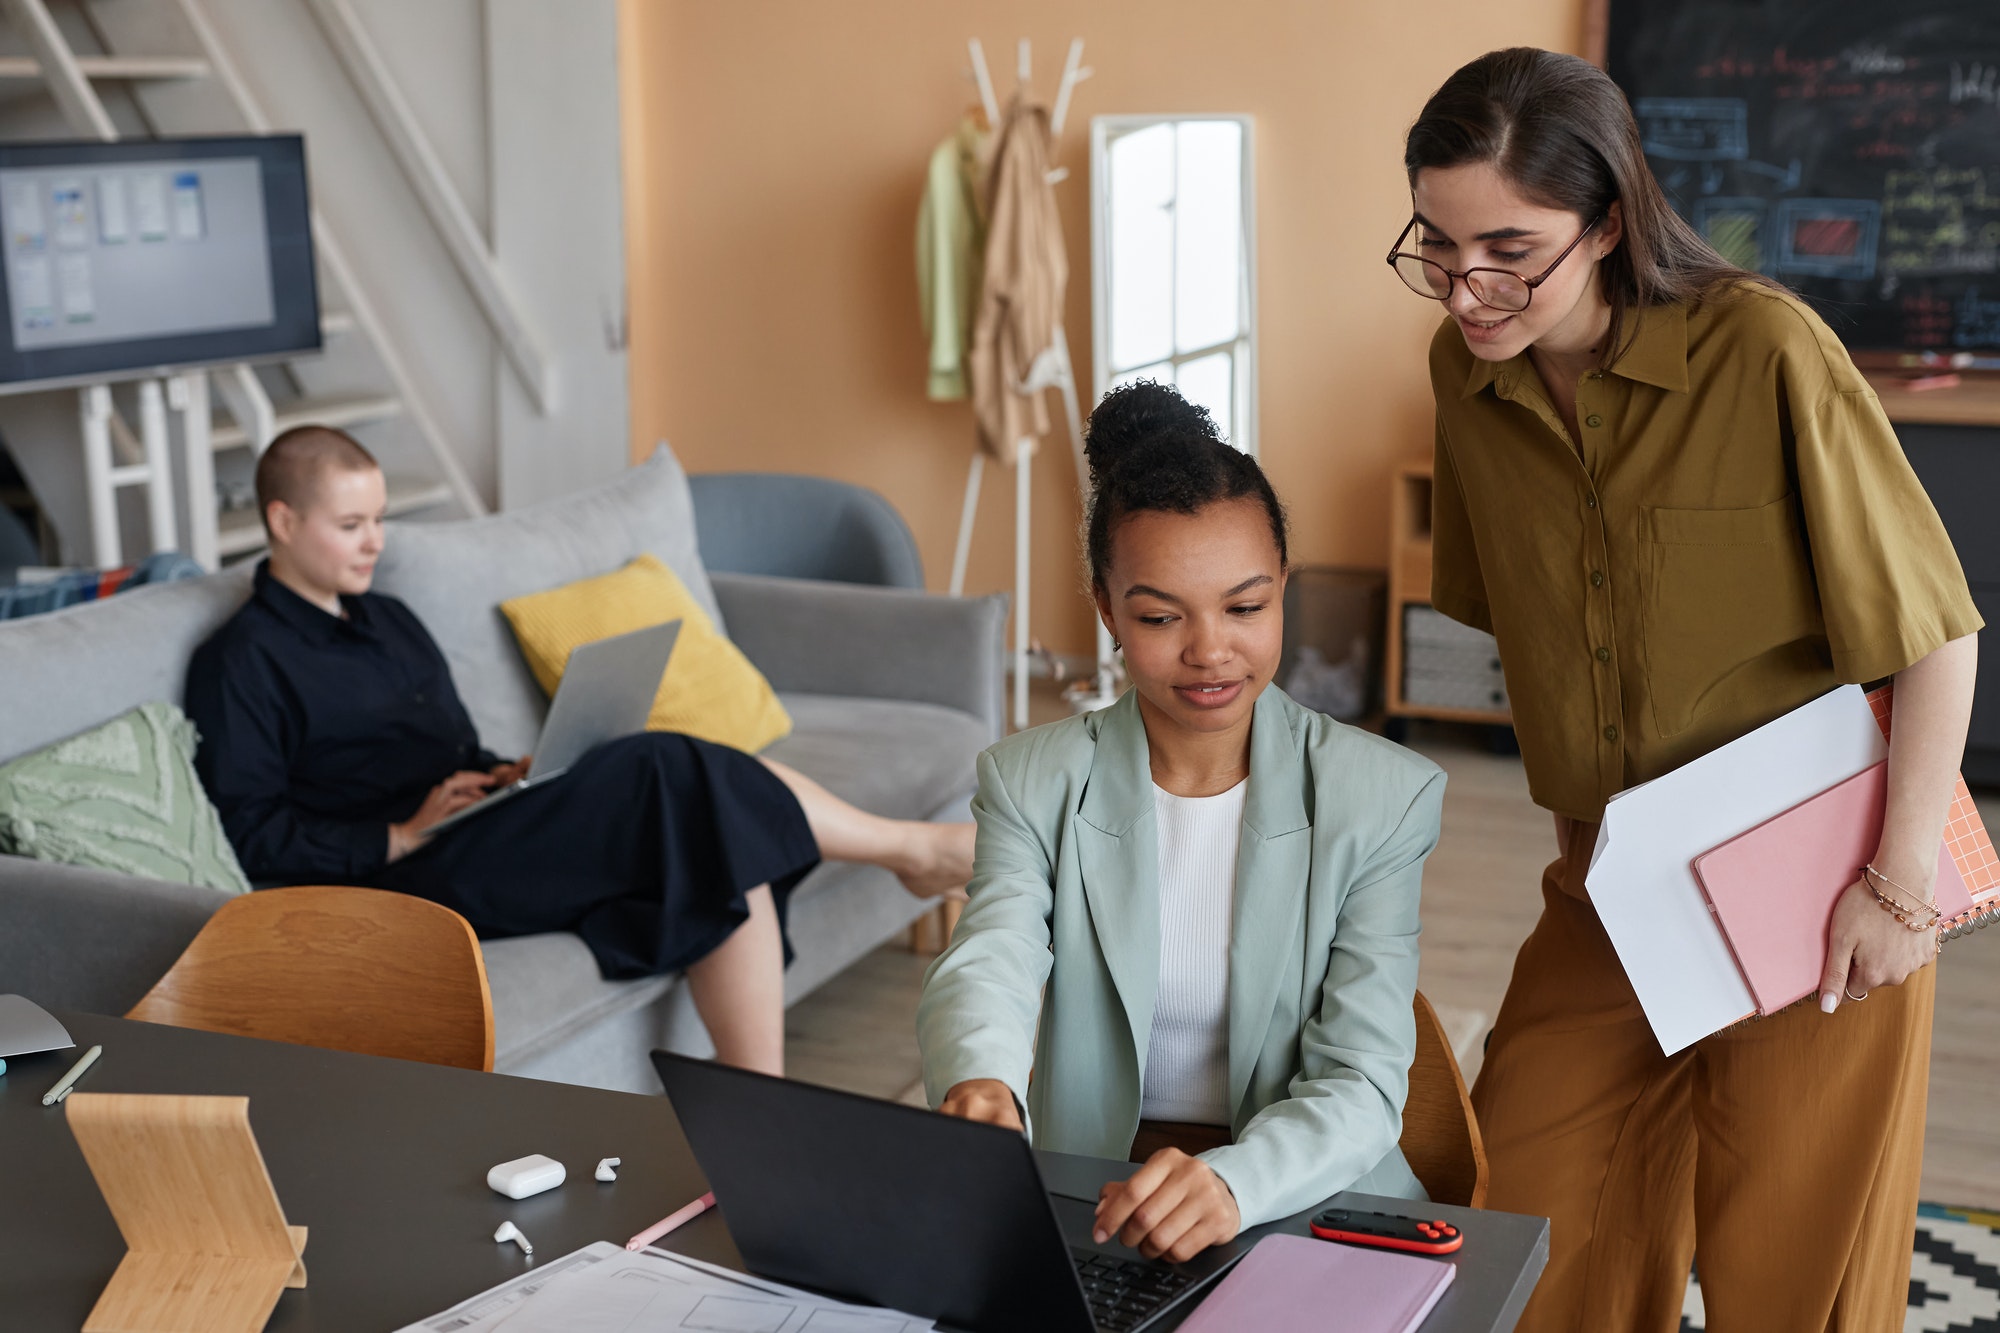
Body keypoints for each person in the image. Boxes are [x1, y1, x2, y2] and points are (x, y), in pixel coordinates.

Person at [1395, 48, 1982, 1332]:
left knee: (1790, 1272)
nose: (1467, 287)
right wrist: (1575, 843)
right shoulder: (1464, 380)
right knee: (1517, 1216)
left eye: (1508, 247)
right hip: (1611, 883)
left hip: (1820, 890)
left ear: (1604, 220)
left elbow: (1936, 637)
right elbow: (1533, 639)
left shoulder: (1765, 351)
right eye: (1435, 246)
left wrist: (1894, 893)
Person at [186, 426, 974, 1078]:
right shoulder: (242, 660)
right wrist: (396, 835)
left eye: (381, 520)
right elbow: (252, 831)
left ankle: (759, 1101)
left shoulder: (389, 619)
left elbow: (450, 744)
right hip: (403, 875)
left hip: (475, 821)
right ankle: (910, 849)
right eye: (351, 526)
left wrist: (503, 771)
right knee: (668, 770)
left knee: (703, 834)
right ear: (284, 523)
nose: (375, 544)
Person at [917, 382, 1446, 1263]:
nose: (1209, 651)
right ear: (1106, 607)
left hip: (1297, 1196)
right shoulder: (1030, 780)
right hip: (1097, 1197)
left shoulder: (1380, 797)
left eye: (1245, 607)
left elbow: (1359, 1077)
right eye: (1161, 616)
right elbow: (992, 956)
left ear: (1285, 585)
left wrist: (1235, 1182)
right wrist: (981, 1080)